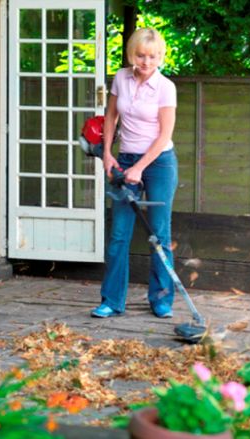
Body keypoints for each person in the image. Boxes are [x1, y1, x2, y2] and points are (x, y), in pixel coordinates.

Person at [91, 28, 178, 319]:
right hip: (125, 159)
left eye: (153, 56)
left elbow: (165, 134)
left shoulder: (166, 87)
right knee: (118, 235)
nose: (146, 62)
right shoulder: (121, 78)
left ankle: (161, 300)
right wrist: (106, 153)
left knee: (159, 234)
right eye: (141, 55)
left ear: (160, 57)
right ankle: (112, 301)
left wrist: (139, 168)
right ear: (132, 54)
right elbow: (111, 116)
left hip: (158, 164)